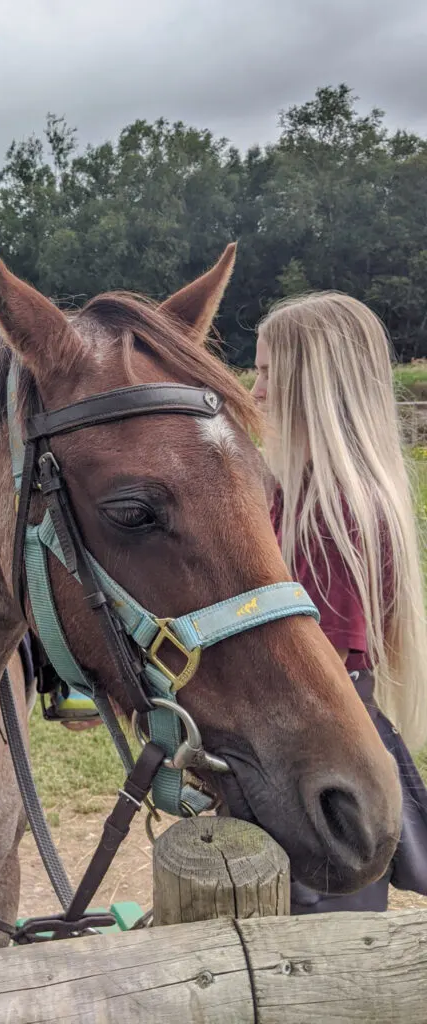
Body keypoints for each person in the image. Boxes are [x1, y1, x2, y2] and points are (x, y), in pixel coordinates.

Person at [253, 291, 427, 912]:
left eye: (270, 374)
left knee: (312, 920)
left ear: (315, 385)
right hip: (307, 739)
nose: (256, 391)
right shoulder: (297, 494)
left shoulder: (331, 513)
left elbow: (322, 664)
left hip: (309, 754)